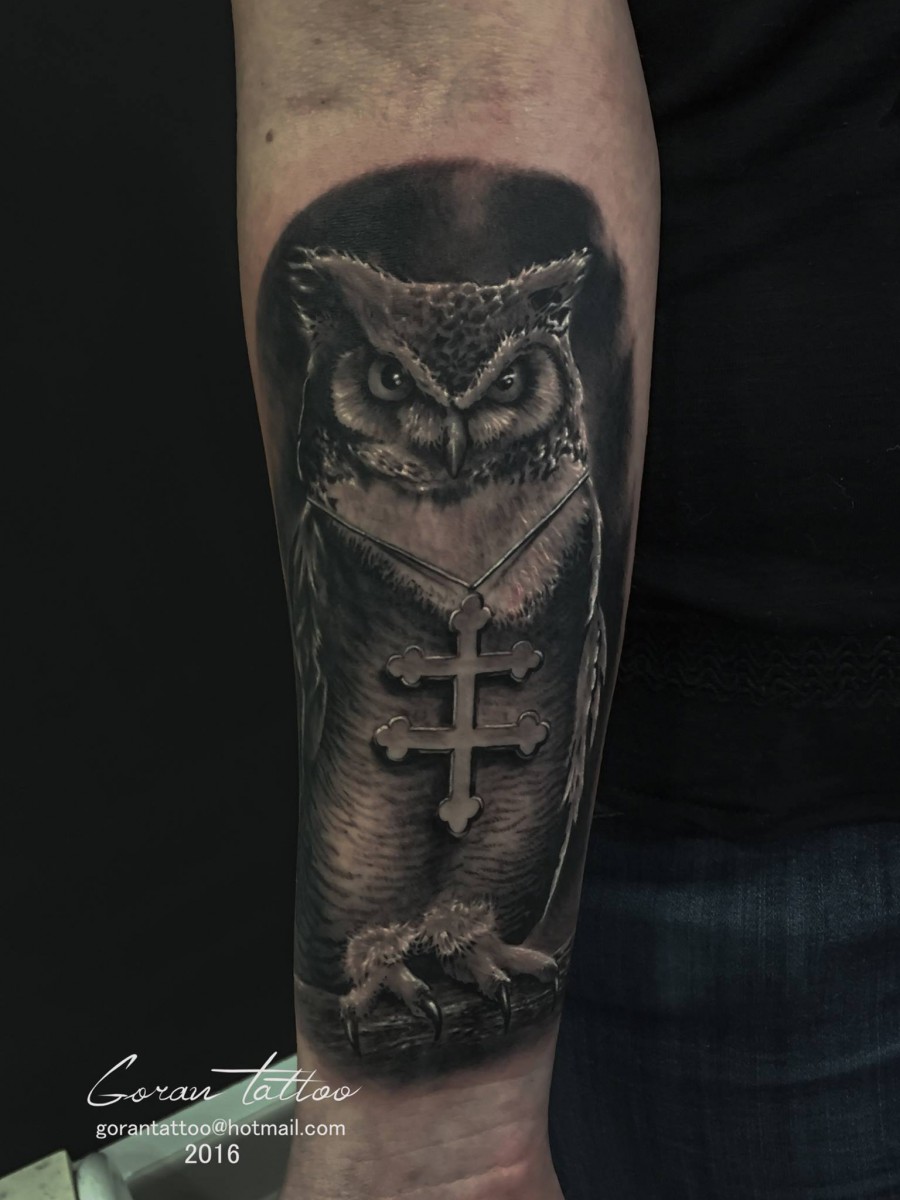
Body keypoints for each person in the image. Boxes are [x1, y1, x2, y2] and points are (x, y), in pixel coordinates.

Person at [231, 2, 900, 1197]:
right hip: (762, 818)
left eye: (497, 393)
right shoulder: (361, 530)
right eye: (397, 388)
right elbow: (420, 67)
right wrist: (438, 1143)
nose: (448, 435)